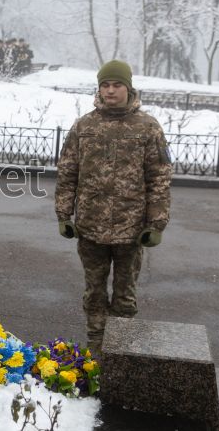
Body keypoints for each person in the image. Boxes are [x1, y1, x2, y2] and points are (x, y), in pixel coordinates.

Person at [54, 60, 172, 353]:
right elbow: (68, 172)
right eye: (105, 85)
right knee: (94, 294)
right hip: (90, 228)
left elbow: (159, 177)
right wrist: (63, 214)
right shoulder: (84, 126)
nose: (110, 91)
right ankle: (96, 351)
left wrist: (156, 224)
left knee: (124, 298)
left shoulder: (147, 127)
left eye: (116, 85)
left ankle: (120, 353)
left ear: (128, 88)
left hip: (130, 231)